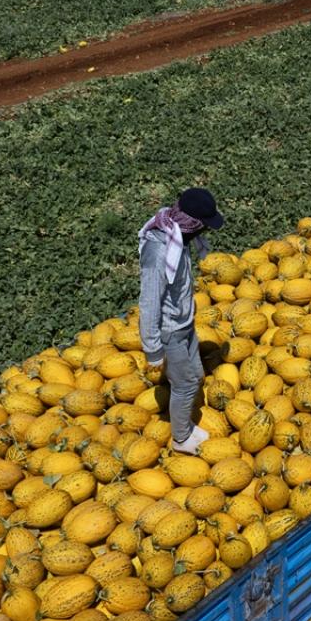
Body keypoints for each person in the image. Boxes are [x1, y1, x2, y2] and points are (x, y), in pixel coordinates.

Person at [138, 187, 225, 455]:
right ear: (193, 224)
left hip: (184, 325)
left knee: (196, 376)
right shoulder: (158, 251)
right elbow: (149, 303)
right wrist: (153, 349)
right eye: (204, 227)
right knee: (185, 385)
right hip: (170, 331)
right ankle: (181, 437)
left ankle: (186, 423)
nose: (205, 232)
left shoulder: (178, 237)